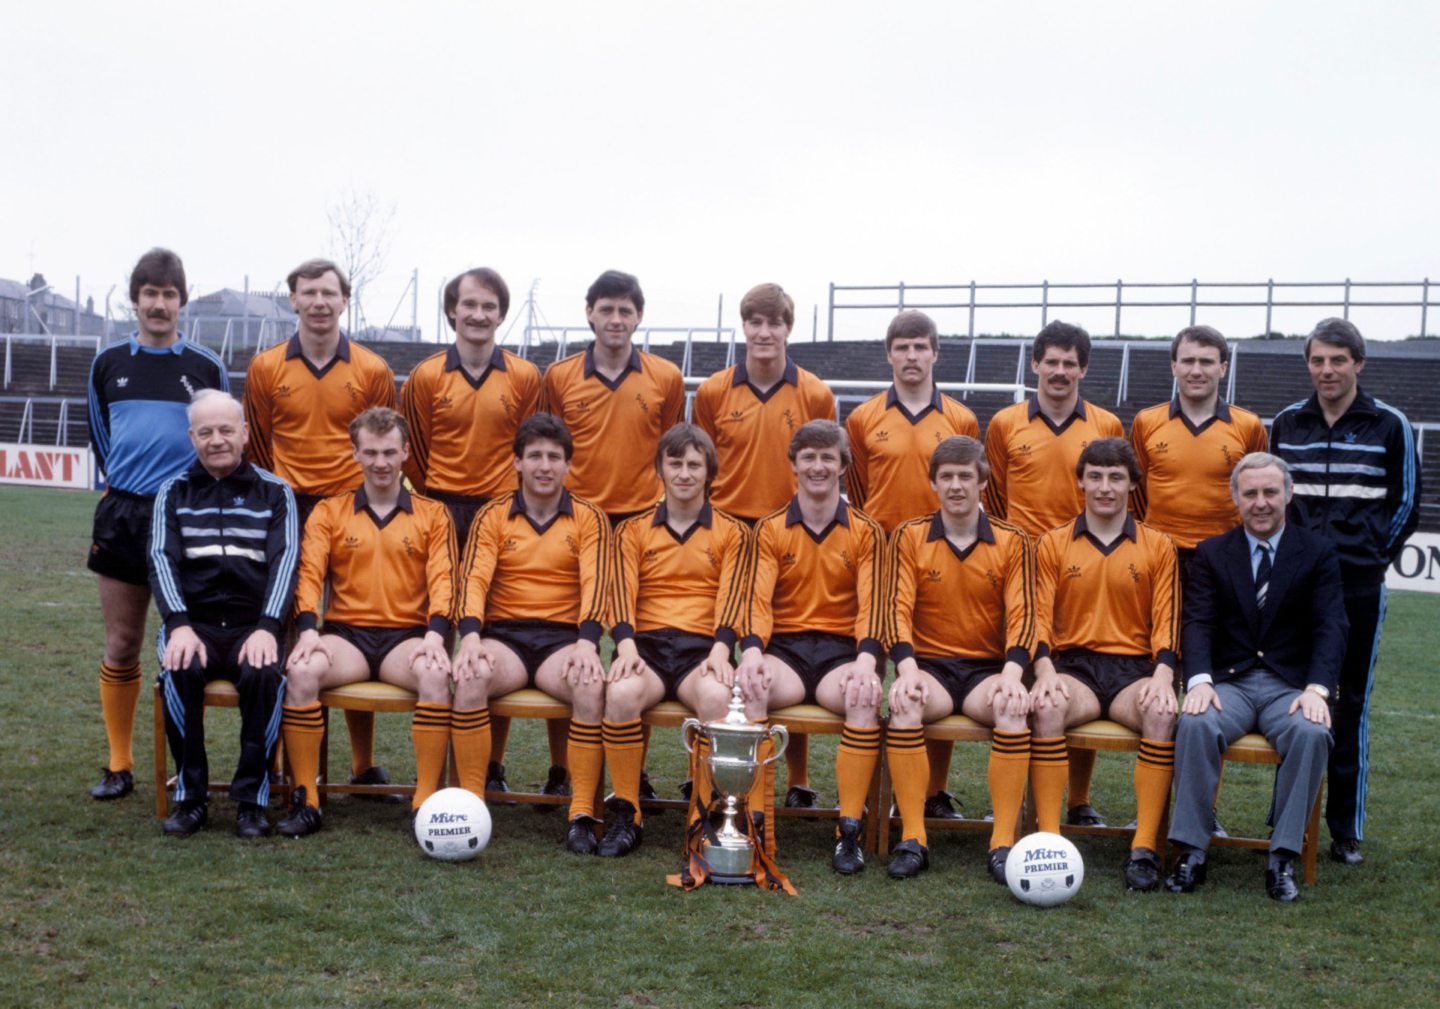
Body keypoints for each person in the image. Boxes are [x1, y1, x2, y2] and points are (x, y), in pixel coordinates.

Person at [244, 258, 399, 798]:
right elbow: (260, 443)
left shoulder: (372, 368)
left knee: (356, 619)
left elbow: (383, 438)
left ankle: (362, 762)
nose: (318, 301)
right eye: (307, 292)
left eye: (328, 292)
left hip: (351, 506)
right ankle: (288, 761)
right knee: (292, 625)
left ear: (344, 300)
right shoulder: (266, 367)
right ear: (291, 299)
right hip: (287, 507)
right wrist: (281, 493)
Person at [1270, 318, 1420, 866]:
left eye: (1338, 360)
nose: (1327, 371)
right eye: (1317, 360)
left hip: (1357, 585)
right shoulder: (1287, 423)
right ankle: (1284, 818)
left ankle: (1344, 829)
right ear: (1308, 364)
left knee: (1348, 703)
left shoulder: (1390, 423)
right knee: (1290, 698)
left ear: (1359, 363)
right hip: (1295, 584)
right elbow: (1272, 496)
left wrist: (1372, 557)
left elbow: (1406, 503)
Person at [1167, 453, 1345, 901]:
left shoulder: (1318, 552)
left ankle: (1281, 857)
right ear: (1236, 499)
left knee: (1312, 732)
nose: (1261, 502)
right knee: (1194, 723)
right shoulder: (1212, 553)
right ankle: (1190, 851)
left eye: (1270, 492)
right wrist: (1201, 680)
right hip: (1230, 684)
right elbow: (1198, 622)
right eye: (1251, 494)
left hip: (1290, 688)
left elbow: (1331, 626)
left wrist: (1317, 690)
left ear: (1288, 494)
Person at [85, 248, 230, 800]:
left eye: (170, 294)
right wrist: (126, 485)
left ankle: (184, 766)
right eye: (151, 293)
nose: (159, 304)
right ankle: (120, 764)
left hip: (184, 514)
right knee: (122, 641)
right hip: (123, 513)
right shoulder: (107, 364)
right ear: (135, 299)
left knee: (183, 645)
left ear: (182, 302)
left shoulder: (205, 366)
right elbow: (102, 436)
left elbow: (219, 437)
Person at [399, 266, 546, 801]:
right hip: (441, 509)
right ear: (452, 312)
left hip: (502, 513)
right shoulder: (425, 376)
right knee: (441, 625)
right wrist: (437, 500)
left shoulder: (526, 377)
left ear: (500, 314)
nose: (479, 315)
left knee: (494, 630)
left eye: (489, 306)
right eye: (469, 305)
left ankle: (491, 764)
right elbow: (413, 447)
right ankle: (435, 773)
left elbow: (531, 443)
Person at [276, 408, 458, 836]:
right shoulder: (329, 511)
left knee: (435, 676)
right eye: (371, 452)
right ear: (354, 453)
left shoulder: (434, 514)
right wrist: (306, 630)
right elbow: (308, 574)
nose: (381, 462)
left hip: (407, 639)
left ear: (406, 453)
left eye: (390, 452)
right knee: (301, 672)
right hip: (347, 638)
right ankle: (307, 798)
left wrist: (435, 635)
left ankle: (426, 801)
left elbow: (445, 579)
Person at [692, 282, 836, 809]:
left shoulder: (815, 393)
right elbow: (703, 462)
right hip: (729, 532)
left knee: (783, 645)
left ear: (788, 329)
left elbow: (823, 461)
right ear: (744, 326)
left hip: (789, 532)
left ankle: (794, 778)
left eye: (774, 322)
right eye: (755, 321)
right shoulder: (713, 391)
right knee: (721, 648)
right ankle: (707, 762)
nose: (764, 332)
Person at [982, 321, 1124, 829]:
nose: (1060, 371)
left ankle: (1078, 800)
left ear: (1083, 368)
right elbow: (995, 496)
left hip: (1084, 564)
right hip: (1020, 567)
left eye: (1071, 363)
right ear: (1035, 365)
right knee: (1021, 677)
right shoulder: (1004, 423)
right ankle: (1010, 798)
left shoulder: (1106, 424)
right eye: (1052, 361)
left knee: (1079, 669)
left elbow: (1117, 493)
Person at [450, 413, 613, 854]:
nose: (544, 465)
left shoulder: (590, 519)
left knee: (590, 683)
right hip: (504, 638)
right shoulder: (492, 515)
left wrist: (586, 641)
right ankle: (470, 803)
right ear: (517, 462)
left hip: (562, 640)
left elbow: (596, 583)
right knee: (469, 677)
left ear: (568, 466)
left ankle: (580, 811)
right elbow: (475, 579)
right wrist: (470, 638)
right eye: (535, 456)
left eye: (554, 457)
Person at [845, 309, 980, 822]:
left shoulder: (960, 418)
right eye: (901, 347)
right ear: (889, 354)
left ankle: (934, 791)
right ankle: (861, 789)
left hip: (938, 553)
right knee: (872, 661)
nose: (911, 356)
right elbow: (859, 488)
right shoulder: (863, 418)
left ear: (935, 353)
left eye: (920, 347)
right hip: (880, 554)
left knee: (931, 660)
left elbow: (966, 482)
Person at [736, 420, 887, 874]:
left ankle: (849, 829)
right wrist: (752, 653)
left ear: (843, 465)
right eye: (809, 457)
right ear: (794, 465)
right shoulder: (768, 529)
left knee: (863, 696)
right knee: (752, 689)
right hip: (785, 651)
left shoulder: (867, 530)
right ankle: (752, 821)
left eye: (828, 458)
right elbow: (757, 600)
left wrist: (866, 661)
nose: (818, 466)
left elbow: (873, 604)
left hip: (842, 653)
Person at [885, 436, 1039, 880]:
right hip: (928, 666)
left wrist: (1013, 673)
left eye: (965, 477)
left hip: (984, 672)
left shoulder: (1013, 541)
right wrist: (907, 668)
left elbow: (1025, 614)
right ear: (933, 482)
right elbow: (896, 608)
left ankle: (1002, 842)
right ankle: (914, 838)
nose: (956, 486)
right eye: (947, 477)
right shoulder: (910, 536)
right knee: (905, 703)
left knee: (1012, 706)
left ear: (983, 483)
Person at [148, 391, 299, 837]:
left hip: (256, 624)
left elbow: (285, 560)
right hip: (193, 624)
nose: (217, 440)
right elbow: (161, 558)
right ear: (192, 437)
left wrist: (269, 627)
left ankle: (251, 798)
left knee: (264, 675)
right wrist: (177, 625)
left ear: (246, 434)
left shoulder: (275, 492)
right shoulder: (172, 492)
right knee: (179, 668)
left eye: (226, 430)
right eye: (206, 432)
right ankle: (191, 796)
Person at [1031, 438, 1180, 891]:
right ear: (1080, 481)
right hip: (1072, 667)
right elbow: (1036, 615)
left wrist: (1163, 674)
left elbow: (1168, 620)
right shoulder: (1052, 543)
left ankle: (1145, 846)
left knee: (1162, 712)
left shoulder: (1159, 545)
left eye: (1116, 477)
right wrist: (1044, 671)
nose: (1104, 487)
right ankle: (1048, 840)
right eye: (1095, 476)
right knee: (1046, 707)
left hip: (1133, 671)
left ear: (1134, 484)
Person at [600, 423, 753, 856]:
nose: (684, 473)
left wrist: (722, 650)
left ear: (709, 473)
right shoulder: (631, 530)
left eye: (693, 465)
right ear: (660, 470)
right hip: (644, 647)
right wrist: (625, 646)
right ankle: (627, 813)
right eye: (675, 463)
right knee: (622, 694)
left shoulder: (732, 532)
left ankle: (703, 818)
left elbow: (735, 594)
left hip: (701, 651)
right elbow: (618, 591)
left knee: (716, 700)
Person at [540, 270, 685, 525]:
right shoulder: (558, 376)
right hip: (575, 514)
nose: (616, 320)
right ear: (589, 312)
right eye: (606, 310)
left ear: (639, 315)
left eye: (625, 311)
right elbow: (551, 448)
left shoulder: (667, 377)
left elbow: (672, 449)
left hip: (645, 515)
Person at [1129, 325, 1268, 580]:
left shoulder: (1249, 426)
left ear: (1223, 368)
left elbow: (1257, 492)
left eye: (1206, 362)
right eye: (1188, 361)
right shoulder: (1146, 422)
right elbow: (1136, 493)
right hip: (1159, 556)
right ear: (1174, 367)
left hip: (1226, 557)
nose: (1196, 371)